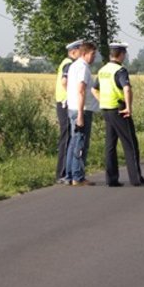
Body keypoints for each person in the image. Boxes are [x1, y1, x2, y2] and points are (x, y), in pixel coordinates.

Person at [94, 43, 144, 187]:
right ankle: (136, 179)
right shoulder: (120, 70)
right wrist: (129, 107)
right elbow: (126, 88)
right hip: (119, 109)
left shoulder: (103, 70)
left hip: (106, 109)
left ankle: (111, 179)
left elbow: (94, 90)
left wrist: (103, 101)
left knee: (110, 145)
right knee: (130, 144)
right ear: (121, 54)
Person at [65, 41, 100, 186]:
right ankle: (78, 177)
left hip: (73, 107)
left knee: (73, 143)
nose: (94, 57)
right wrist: (80, 114)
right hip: (82, 110)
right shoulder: (83, 68)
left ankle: (69, 175)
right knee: (80, 143)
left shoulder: (74, 66)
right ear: (85, 53)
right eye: (92, 54)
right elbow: (81, 90)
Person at [55, 39, 82, 183]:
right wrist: (72, 95)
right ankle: (62, 174)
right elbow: (64, 82)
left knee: (68, 138)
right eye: (80, 50)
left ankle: (66, 172)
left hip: (64, 102)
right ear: (73, 51)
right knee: (66, 139)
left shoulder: (66, 62)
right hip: (65, 103)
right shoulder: (69, 64)